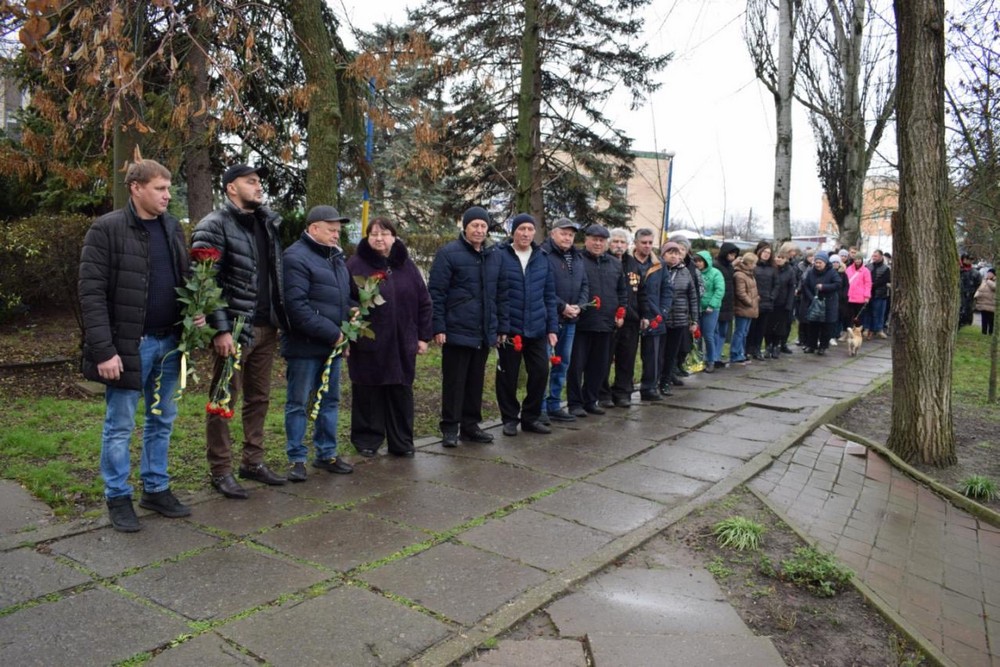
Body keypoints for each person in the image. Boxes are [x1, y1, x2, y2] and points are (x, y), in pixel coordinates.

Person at [79, 159, 195, 532]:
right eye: (160, 188)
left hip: (170, 344)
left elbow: (184, 278)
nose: (167, 195)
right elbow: (91, 295)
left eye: (169, 188)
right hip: (130, 346)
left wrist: (194, 313)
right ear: (136, 188)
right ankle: (117, 496)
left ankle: (156, 488)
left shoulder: (172, 227)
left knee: (162, 421)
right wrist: (104, 350)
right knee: (120, 424)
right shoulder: (107, 229)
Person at [193, 163, 287, 499]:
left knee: (259, 397)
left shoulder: (267, 223)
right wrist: (220, 330)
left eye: (259, 181)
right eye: (251, 182)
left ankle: (253, 461)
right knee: (222, 398)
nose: (259, 187)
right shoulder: (213, 226)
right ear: (232, 188)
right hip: (233, 328)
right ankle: (220, 470)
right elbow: (206, 281)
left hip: (266, 327)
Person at [280, 206, 356, 481]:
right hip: (304, 346)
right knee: (298, 403)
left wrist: (351, 314)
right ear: (314, 229)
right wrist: (334, 333)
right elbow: (296, 308)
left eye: (338, 230)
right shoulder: (295, 257)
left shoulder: (335, 257)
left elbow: (344, 297)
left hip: (331, 345)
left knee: (330, 401)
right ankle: (296, 458)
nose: (337, 234)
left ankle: (326, 454)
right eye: (332, 229)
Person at [346, 217, 433, 457]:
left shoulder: (407, 265)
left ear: (393, 237)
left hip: (402, 342)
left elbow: (424, 302)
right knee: (368, 392)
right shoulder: (356, 264)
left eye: (384, 233)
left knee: (400, 392)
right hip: (369, 341)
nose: (379, 238)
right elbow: (345, 297)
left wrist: (423, 337)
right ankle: (367, 440)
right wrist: (351, 310)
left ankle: (401, 441)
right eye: (373, 234)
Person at [428, 206, 503, 447]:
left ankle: (471, 426)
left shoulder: (494, 255)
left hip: (482, 331)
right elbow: (436, 293)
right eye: (475, 225)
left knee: (475, 382)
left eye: (483, 226)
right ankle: (450, 427)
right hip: (456, 330)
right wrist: (438, 326)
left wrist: (498, 327)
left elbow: (500, 294)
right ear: (465, 227)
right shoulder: (449, 253)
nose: (479, 230)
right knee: (454, 382)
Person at [495, 214, 559, 435]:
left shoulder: (542, 257)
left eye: (530, 229)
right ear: (513, 231)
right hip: (510, 329)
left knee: (541, 372)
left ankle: (530, 417)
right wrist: (499, 327)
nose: (525, 233)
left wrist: (552, 328)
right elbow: (495, 293)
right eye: (521, 228)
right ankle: (509, 419)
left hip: (537, 327)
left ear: (535, 233)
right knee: (508, 376)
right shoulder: (500, 255)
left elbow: (550, 295)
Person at [567, 224, 627, 417]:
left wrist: (620, 313)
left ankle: (590, 400)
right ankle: (575, 402)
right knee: (576, 365)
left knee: (599, 365)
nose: (598, 243)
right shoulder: (577, 260)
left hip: (606, 323)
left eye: (602, 240)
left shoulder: (615, 264)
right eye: (594, 239)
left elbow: (622, 292)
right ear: (586, 240)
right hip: (582, 323)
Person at [540, 218, 589, 422]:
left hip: (570, 321)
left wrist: (580, 305)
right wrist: (563, 306)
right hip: (548, 320)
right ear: (553, 234)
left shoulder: (577, 257)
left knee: (563, 364)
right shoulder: (543, 255)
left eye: (571, 234)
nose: (568, 237)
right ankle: (540, 407)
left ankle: (554, 404)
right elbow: (542, 287)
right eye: (564, 233)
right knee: (544, 365)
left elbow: (585, 284)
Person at [602, 228, 644, 408]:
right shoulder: (603, 261)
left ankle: (622, 392)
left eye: (622, 242)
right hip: (608, 318)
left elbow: (642, 291)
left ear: (628, 245)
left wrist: (644, 314)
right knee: (604, 358)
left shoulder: (633, 264)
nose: (618, 246)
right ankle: (602, 393)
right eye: (615, 242)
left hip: (631, 319)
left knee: (626, 358)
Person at [634, 230, 671, 400]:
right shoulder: (627, 263)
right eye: (644, 242)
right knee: (626, 354)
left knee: (653, 355)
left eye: (650, 242)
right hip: (632, 314)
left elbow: (667, 290)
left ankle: (649, 388)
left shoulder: (659, 264)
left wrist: (662, 311)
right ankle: (622, 389)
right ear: (636, 243)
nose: (647, 246)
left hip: (654, 315)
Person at [658, 241, 700, 390]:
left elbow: (692, 297)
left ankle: (666, 381)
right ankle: (656, 379)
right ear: (663, 254)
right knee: (658, 353)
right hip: (661, 319)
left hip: (680, 318)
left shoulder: (685, 271)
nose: (674, 256)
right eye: (671, 253)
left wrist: (694, 319)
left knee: (671, 353)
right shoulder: (657, 269)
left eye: (677, 253)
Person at [799, 251, 842, 355]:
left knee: (826, 326)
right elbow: (806, 285)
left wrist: (824, 287)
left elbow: (838, 284)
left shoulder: (832, 272)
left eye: (820, 263)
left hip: (828, 303)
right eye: (816, 262)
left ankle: (823, 346)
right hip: (814, 302)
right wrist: (812, 298)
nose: (818, 265)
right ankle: (811, 345)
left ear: (825, 263)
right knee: (813, 325)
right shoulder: (810, 272)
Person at [693, 250, 724, 372]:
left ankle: (711, 360)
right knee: (697, 336)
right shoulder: (695, 273)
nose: (698, 264)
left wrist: (712, 305)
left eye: (700, 261)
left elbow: (719, 290)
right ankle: (699, 360)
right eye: (696, 261)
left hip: (710, 309)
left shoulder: (715, 273)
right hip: (697, 308)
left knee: (708, 335)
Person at [747, 241, 776, 361]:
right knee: (751, 327)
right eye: (764, 252)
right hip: (754, 301)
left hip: (767, 301)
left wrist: (772, 296)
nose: (766, 254)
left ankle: (757, 349)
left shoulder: (773, 269)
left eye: (769, 253)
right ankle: (748, 349)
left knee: (761, 328)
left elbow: (777, 284)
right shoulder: (754, 267)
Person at [713, 242, 740, 367]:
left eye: (734, 254)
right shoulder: (716, 266)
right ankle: (713, 357)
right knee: (715, 331)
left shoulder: (730, 267)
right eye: (731, 254)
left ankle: (717, 356)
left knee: (723, 332)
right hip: (719, 303)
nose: (732, 257)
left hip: (728, 304)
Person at [730, 252, 759, 365]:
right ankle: (735, 354)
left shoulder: (749, 274)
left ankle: (741, 353)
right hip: (743, 307)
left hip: (749, 308)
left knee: (744, 332)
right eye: (754, 263)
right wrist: (750, 301)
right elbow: (741, 292)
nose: (755, 266)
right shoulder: (740, 275)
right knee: (740, 331)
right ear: (749, 263)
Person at [769, 248, 797, 358]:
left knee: (780, 326)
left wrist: (789, 304)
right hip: (771, 301)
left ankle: (776, 345)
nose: (779, 259)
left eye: (782, 258)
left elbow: (791, 288)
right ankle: (769, 345)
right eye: (778, 257)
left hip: (783, 302)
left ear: (786, 259)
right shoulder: (771, 269)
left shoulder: (790, 271)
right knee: (769, 325)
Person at [866, 249, 891, 339]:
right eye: (873, 256)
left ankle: (878, 329)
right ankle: (868, 329)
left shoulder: (886, 268)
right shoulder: (868, 266)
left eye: (876, 256)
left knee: (879, 312)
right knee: (868, 312)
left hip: (880, 294)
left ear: (881, 257)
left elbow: (885, 280)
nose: (874, 258)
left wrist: (873, 284)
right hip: (868, 293)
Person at [845, 253, 872, 332]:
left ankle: (857, 332)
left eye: (859, 259)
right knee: (849, 316)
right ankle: (848, 332)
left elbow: (868, 284)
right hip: (849, 296)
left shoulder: (866, 271)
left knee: (858, 317)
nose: (857, 261)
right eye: (856, 259)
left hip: (860, 297)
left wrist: (867, 296)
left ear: (862, 260)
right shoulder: (849, 269)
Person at [960, 253, 982, 329]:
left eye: (971, 260)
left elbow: (979, 284)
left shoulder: (975, 273)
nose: (969, 261)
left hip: (969, 296)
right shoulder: (959, 270)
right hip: (959, 295)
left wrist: (975, 292)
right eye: (967, 259)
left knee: (967, 311)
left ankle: (966, 324)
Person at [975, 268, 996, 335]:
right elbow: (980, 288)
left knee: (991, 320)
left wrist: (988, 281)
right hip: (983, 303)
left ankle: (991, 332)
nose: (988, 274)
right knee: (984, 319)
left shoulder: (994, 281)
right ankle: (983, 332)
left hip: (991, 304)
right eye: (988, 273)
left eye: (990, 273)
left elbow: (994, 287)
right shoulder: (984, 281)